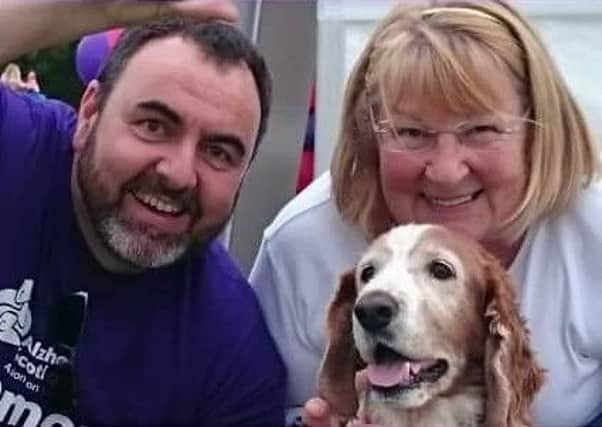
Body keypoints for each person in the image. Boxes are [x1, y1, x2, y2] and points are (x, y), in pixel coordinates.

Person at [249, 1, 602, 426]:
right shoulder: (302, 242)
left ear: (536, 129)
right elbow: (256, 411)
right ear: (368, 134)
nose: (447, 171)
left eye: (481, 130)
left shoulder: (592, 232)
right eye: (412, 133)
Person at [0, 1, 286, 426]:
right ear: (90, 114)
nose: (179, 173)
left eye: (218, 152)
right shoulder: (17, 148)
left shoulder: (231, 357)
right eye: (154, 125)